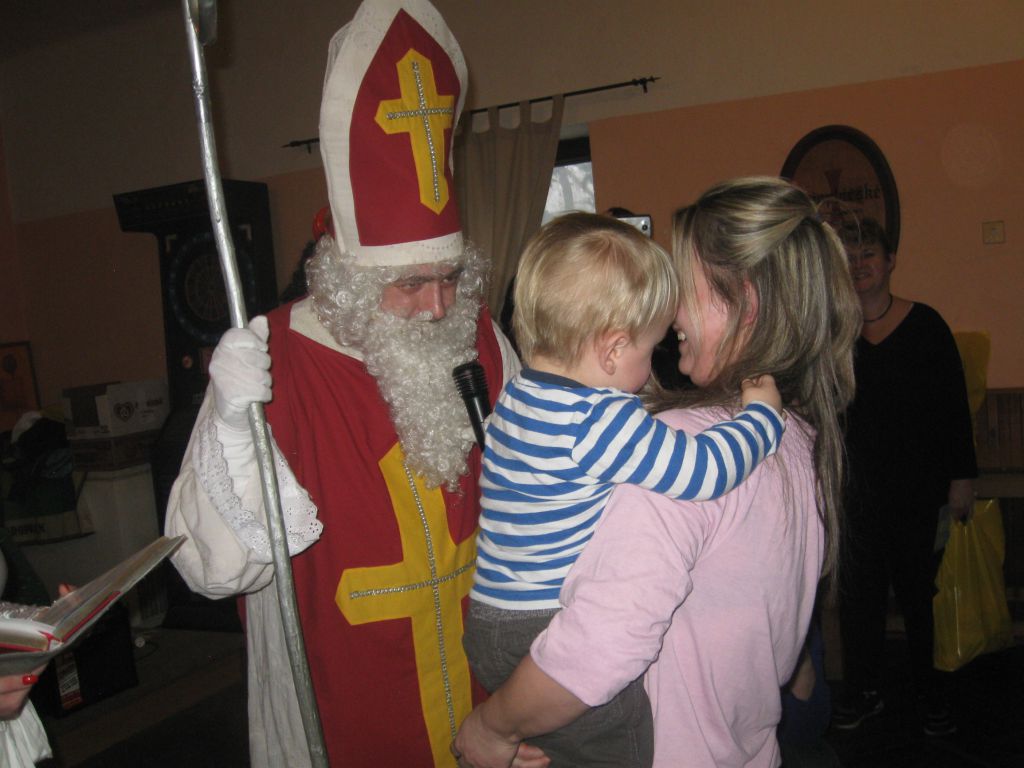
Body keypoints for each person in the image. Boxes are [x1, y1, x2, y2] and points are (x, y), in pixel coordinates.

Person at [164, 1, 521, 766]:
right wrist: (229, 424)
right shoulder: (271, 365)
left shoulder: (484, 341)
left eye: (450, 276)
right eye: (412, 284)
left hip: (493, 704)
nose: (440, 307)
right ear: (348, 279)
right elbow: (211, 569)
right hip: (345, 717)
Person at [452, 176, 861, 768]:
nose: (671, 319)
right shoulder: (797, 435)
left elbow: (596, 647)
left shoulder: (685, 441)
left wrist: (493, 727)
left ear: (743, 303)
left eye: (682, 285)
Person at [833, 217, 977, 736]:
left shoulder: (926, 325)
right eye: (850, 256)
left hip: (921, 494)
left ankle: (932, 695)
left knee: (921, 600)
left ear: (890, 260)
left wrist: (962, 479)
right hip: (857, 497)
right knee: (859, 603)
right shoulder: (833, 335)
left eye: (868, 253)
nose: (860, 264)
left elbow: (954, 409)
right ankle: (864, 692)